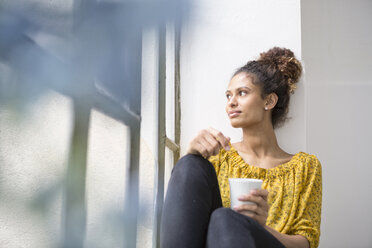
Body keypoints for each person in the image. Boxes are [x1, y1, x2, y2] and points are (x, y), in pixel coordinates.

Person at [160, 47, 322, 248]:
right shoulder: (219, 155)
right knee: (190, 165)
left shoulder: (305, 166)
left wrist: (259, 227)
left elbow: (307, 243)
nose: (231, 103)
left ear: (269, 101)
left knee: (226, 219)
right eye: (228, 96)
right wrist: (191, 154)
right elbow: (190, 221)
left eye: (242, 93)